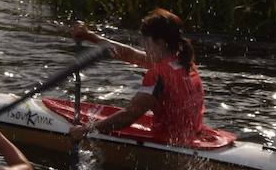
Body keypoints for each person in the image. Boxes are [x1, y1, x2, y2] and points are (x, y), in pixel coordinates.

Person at [66, 9, 206, 147]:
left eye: (146, 41)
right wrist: (90, 36)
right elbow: (129, 54)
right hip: (192, 135)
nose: (143, 46)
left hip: (171, 143)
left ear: (161, 42)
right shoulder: (183, 62)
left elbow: (129, 115)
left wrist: (85, 129)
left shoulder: (158, 74)